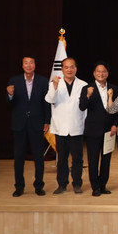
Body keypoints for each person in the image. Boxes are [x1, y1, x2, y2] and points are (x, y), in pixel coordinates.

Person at [6, 56, 50, 197]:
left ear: (35, 65)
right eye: (26, 63)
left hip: (37, 123)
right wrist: (10, 94)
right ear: (22, 66)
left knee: (38, 157)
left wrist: (47, 121)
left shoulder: (43, 81)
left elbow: (47, 103)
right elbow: (10, 103)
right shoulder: (14, 81)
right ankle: (19, 187)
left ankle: (39, 186)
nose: (29, 65)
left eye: (31, 63)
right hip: (19, 124)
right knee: (19, 157)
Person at [45, 57, 88, 194]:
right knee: (62, 159)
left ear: (76, 69)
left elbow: (85, 107)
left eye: (72, 67)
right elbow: (50, 99)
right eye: (66, 67)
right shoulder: (54, 83)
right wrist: (55, 86)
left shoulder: (83, 85)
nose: (69, 70)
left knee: (77, 159)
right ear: (62, 69)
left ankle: (77, 184)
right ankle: (62, 184)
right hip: (60, 127)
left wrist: (84, 123)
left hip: (76, 126)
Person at [78, 62, 118, 197]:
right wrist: (88, 96)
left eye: (104, 71)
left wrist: (115, 124)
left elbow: (117, 111)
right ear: (94, 73)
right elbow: (82, 107)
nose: (101, 74)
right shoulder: (87, 88)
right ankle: (95, 186)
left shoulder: (114, 89)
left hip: (109, 130)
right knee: (93, 160)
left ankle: (103, 185)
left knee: (106, 160)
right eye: (98, 71)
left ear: (107, 73)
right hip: (93, 130)